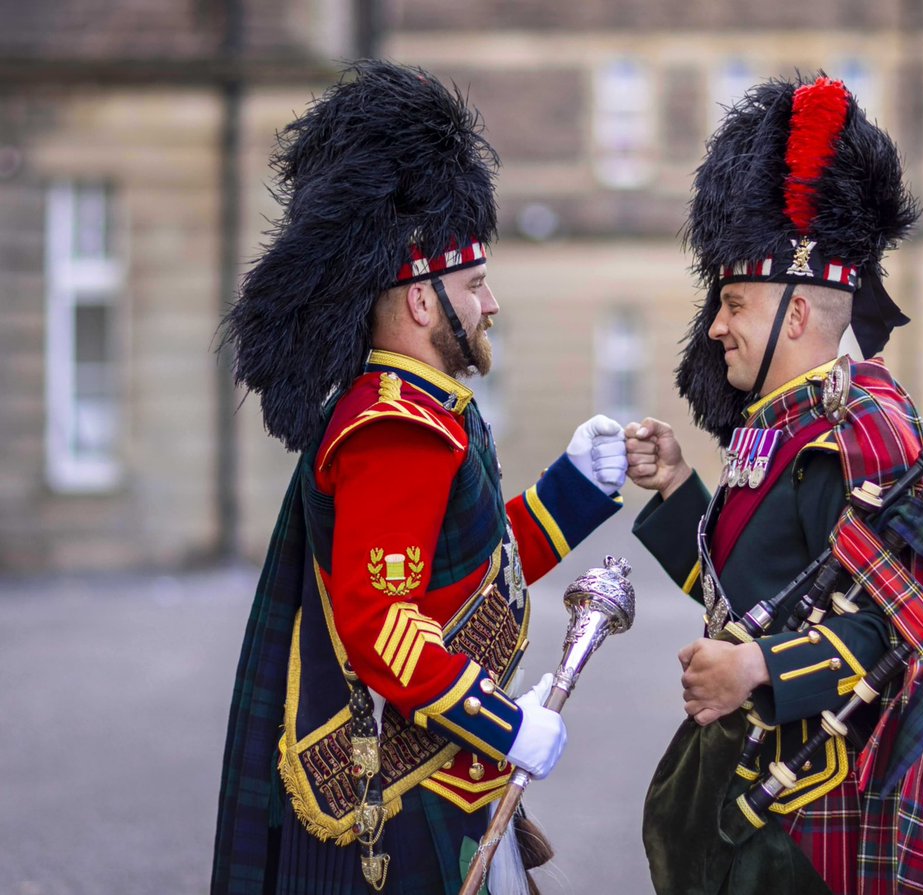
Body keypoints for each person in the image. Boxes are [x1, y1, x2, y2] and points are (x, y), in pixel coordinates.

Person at [211, 61, 627, 895]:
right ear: (423, 302)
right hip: (393, 797)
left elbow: (473, 570)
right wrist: (505, 724)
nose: (491, 304)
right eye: (475, 285)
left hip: (437, 773)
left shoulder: (426, 408)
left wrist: (576, 488)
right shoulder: (395, 428)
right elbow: (382, 624)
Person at [628, 75, 923, 895]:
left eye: (734, 302)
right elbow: (758, 593)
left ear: (797, 316)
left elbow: (899, 632)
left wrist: (757, 670)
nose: (716, 324)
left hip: (807, 820)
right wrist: (675, 493)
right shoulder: (785, 425)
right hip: (740, 792)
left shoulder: (861, 432)